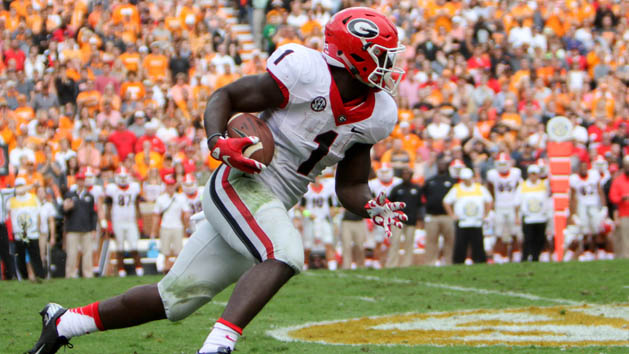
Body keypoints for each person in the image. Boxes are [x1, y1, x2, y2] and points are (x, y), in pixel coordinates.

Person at [28, 8, 407, 354]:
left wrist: (371, 204)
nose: (391, 66)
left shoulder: (378, 115)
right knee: (285, 252)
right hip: (239, 182)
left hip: (271, 204)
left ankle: (65, 322)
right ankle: (218, 347)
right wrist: (218, 143)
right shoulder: (305, 74)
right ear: (353, 55)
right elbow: (225, 96)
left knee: (173, 300)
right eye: (383, 56)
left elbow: (350, 186)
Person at [443, 168, 492, 264]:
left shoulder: (479, 188)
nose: (466, 181)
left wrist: (486, 214)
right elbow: (446, 201)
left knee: (478, 243)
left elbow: (489, 200)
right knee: (460, 244)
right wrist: (452, 215)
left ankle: (479, 261)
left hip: (476, 221)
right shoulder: (457, 189)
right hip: (463, 222)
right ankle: (459, 262)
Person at [106, 167, 143, 277]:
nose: (122, 179)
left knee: (134, 246)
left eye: (124, 177)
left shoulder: (134, 187)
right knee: (120, 247)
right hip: (117, 220)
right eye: (120, 177)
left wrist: (140, 221)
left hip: (131, 220)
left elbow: (137, 205)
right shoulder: (112, 189)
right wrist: (109, 223)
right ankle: (121, 270)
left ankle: (139, 269)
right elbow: (108, 206)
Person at [486, 152, 523, 263]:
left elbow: (518, 188)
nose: (502, 167)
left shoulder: (516, 173)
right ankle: (499, 255)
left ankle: (516, 254)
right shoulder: (492, 174)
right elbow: (490, 190)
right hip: (499, 206)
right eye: (500, 164)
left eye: (504, 164)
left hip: (512, 206)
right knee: (498, 232)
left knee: (515, 232)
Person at [567, 160, 607, 261]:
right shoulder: (574, 179)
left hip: (594, 205)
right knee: (584, 231)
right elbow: (572, 197)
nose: (583, 169)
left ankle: (597, 252)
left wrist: (604, 207)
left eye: (585, 167)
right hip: (582, 206)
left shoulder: (594, 175)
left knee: (597, 229)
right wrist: (573, 213)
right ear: (578, 169)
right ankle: (586, 253)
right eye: (581, 167)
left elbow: (600, 191)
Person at [151, 174, 191, 274]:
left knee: (178, 251)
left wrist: (187, 226)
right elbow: (156, 215)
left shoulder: (180, 198)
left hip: (177, 226)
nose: (170, 188)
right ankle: (167, 271)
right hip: (165, 226)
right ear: (166, 186)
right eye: (169, 186)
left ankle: (177, 272)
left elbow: (186, 212)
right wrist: (153, 230)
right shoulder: (161, 199)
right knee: (166, 252)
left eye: (172, 185)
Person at [62, 171, 98, 279]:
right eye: (79, 180)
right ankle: (70, 274)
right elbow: (63, 211)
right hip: (73, 228)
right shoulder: (70, 195)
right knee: (72, 253)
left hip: (86, 228)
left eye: (82, 180)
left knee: (87, 253)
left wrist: (93, 228)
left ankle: (88, 273)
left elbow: (93, 213)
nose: (81, 182)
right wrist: (67, 208)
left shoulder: (89, 196)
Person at [8, 178, 45, 279]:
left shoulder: (33, 198)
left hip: (32, 232)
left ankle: (40, 276)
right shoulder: (12, 200)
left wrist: (38, 228)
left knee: (35, 256)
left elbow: (38, 214)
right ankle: (24, 278)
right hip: (19, 234)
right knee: (20, 257)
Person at [386, 166, 423, 268]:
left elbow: (420, 204)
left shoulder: (417, 188)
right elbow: (389, 203)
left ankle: (407, 264)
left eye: (408, 173)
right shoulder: (397, 189)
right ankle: (391, 264)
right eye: (404, 173)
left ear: (411, 175)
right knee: (395, 242)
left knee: (409, 243)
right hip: (397, 219)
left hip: (411, 219)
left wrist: (420, 218)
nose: (406, 175)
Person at [299, 175, 337, 270]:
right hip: (311, 221)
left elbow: (331, 206)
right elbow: (301, 208)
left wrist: (332, 213)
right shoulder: (307, 190)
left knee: (328, 242)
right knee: (307, 245)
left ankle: (332, 266)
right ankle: (305, 265)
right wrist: (309, 214)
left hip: (323, 219)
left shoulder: (327, 189)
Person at [423, 158, 456, 266]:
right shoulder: (430, 181)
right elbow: (424, 196)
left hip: (447, 216)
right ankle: (430, 263)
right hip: (432, 216)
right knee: (431, 241)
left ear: (447, 166)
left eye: (444, 164)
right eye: (440, 164)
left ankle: (448, 262)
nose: (441, 166)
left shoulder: (452, 181)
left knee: (449, 241)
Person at [517, 165, 551, 261]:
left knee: (540, 239)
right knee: (528, 239)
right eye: (532, 174)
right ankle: (525, 257)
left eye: (535, 174)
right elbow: (517, 202)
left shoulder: (544, 185)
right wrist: (517, 216)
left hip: (541, 217)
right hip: (528, 217)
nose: (533, 176)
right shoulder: (523, 186)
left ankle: (536, 257)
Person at [609, 155, 629, 259]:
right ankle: (625, 259)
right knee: (624, 238)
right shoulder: (618, 181)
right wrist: (622, 198)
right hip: (624, 213)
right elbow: (613, 197)